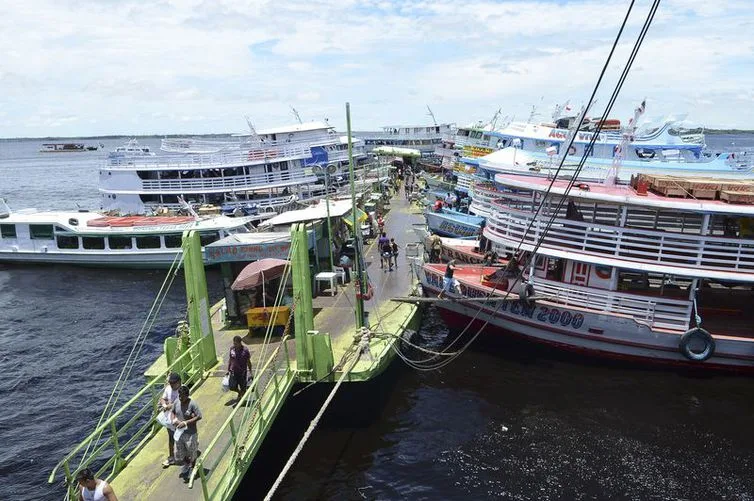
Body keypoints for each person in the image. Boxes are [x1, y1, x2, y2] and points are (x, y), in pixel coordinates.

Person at [172, 385, 202, 478]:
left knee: (192, 452)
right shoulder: (177, 401)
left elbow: (199, 416)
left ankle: (192, 468)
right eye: (179, 396)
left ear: (187, 395)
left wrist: (186, 423)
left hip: (190, 433)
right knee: (178, 452)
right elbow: (172, 412)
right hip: (179, 432)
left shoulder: (192, 404)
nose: (180, 398)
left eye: (183, 396)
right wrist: (174, 420)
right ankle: (187, 464)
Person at [158, 372, 182, 468]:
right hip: (169, 418)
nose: (172, 385)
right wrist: (164, 405)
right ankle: (172, 457)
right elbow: (162, 399)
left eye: (174, 383)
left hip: (180, 418)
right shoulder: (168, 388)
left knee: (181, 437)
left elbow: (180, 402)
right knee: (171, 437)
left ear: (179, 382)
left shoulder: (183, 390)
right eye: (170, 383)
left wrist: (169, 406)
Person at [226, 336, 252, 403]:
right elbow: (230, 359)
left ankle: (242, 401)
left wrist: (250, 371)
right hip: (233, 371)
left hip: (242, 372)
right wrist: (228, 369)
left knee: (243, 387)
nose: (235, 345)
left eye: (236, 343)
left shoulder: (245, 351)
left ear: (240, 343)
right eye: (234, 343)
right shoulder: (232, 349)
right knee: (232, 386)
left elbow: (248, 361)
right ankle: (239, 392)